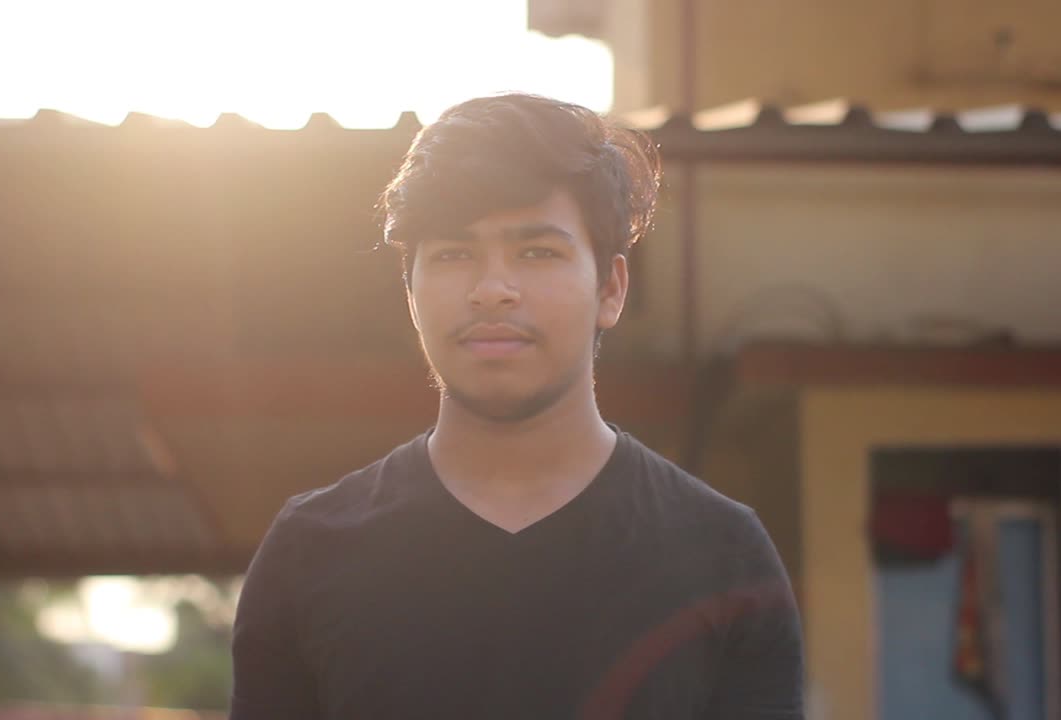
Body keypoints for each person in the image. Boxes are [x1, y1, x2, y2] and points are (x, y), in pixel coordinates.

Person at [230, 93, 803, 719]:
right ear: (410, 292)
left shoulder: (720, 554)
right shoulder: (310, 552)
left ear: (610, 289)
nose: (492, 290)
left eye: (537, 252)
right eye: (453, 254)